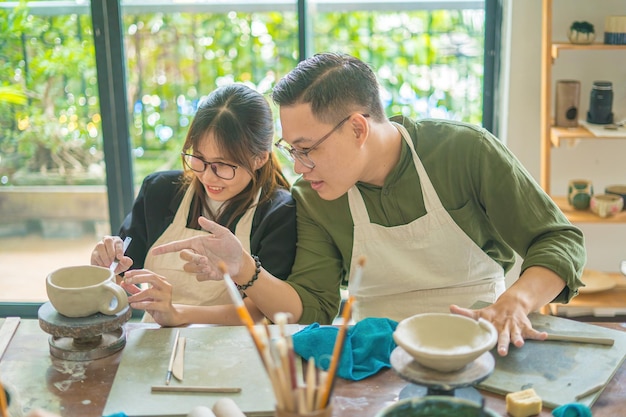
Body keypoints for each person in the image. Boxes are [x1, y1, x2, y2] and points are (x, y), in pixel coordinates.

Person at [150, 53, 586, 356]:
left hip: (479, 338)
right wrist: (244, 268)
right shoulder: (316, 198)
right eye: (291, 150)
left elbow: (558, 240)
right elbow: (310, 305)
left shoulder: (464, 152)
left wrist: (516, 302)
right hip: (374, 352)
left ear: (357, 128)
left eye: (307, 149)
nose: (298, 168)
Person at [90, 83, 296, 326]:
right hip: (156, 338)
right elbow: (121, 277)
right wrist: (105, 265)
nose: (208, 176)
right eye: (198, 158)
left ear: (260, 158)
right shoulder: (160, 191)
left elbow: (260, 310)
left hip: (237, 348)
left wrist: (177, 314)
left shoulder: (278, 211)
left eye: (222, 165)